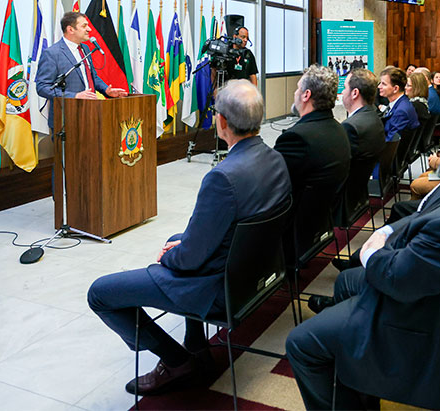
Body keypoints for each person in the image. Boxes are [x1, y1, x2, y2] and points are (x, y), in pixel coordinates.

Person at [286, 110, 440, 410]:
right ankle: (360, 382)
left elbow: (396, 278)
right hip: (434, 295)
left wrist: (371, 251)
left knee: (301, 343)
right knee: (345, 282)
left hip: (415, 321)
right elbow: (423, 220)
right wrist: (386, 233)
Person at [87, 80, 290, 395]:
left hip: (221, 288)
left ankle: (178, 361)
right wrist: (182, 245)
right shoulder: (274, 157)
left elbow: (190, 258)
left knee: (100, 293)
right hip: (256, 273)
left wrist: (168, 256)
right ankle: (195, 343)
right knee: (176, 236)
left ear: (221, 122)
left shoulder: (222, 177)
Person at [274, 65, 352, 207]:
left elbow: (271, 184)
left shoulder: (296, 138)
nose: (295, 93)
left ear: (306, 95)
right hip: (321, 219)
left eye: (298, 88)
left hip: (292, 222)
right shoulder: (340, 130)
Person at [35, 12, 128, 126]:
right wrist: (74, 96)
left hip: (91, 114)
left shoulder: (85, 48)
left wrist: (106, 90)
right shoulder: (52, 53)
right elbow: (42, 87)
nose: (89, 29)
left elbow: (92, 77)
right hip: (67, 119)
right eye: (84, 26)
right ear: (70, 29)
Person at [340, 69, 386, 167]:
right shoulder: (375, 117)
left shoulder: (350, 127)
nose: (343, 92)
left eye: (345, 88)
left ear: (355, 93)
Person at [378, 66, 419, 141]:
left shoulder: (401, 112)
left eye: (383, 84)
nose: (379, 86)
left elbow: (391, 144)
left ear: (395, 88)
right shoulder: (401, 103)